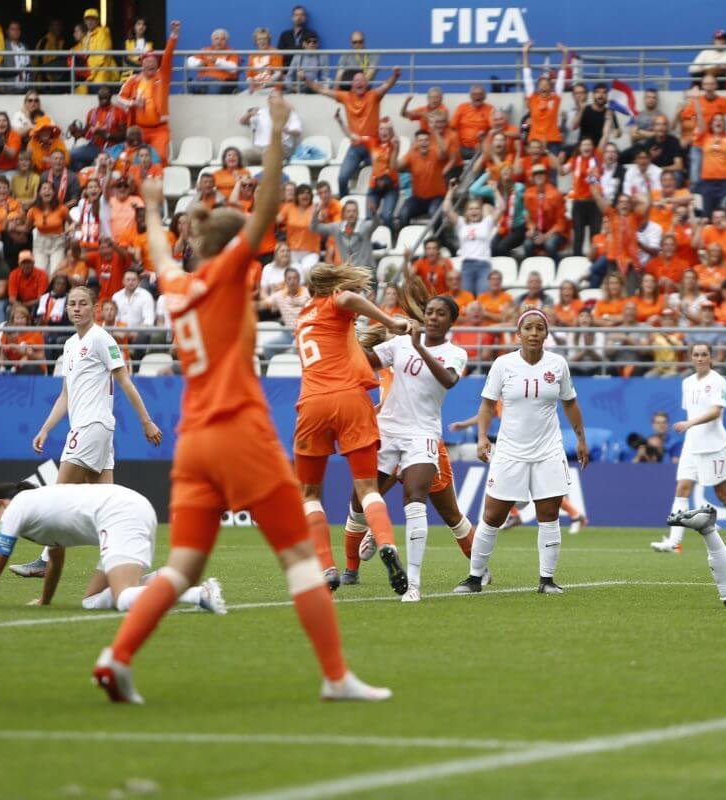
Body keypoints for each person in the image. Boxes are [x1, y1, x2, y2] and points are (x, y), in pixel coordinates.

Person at [93, 94, 391, 706]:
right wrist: (277, 135)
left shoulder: (175, 288)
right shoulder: (228, 274)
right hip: (238, 431)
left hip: (193, 441)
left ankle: (116, 655)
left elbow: (156, 251)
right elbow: (266, 210)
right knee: (301, 562)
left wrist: (153, 209)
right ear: (237, 255)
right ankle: (336, 677)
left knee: (182, 566)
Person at [10, 284, 162, 579]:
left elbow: (125, 382)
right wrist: (45, 429)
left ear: (94, 308)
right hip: (93, 430)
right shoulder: (69, 346)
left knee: (58, 496)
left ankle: (44, 560)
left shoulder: (101, 339)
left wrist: (146, 420)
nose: (76, 308)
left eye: (82, 303)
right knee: (106, 506)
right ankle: (129, 565)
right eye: (72, 304)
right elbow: (65, 395)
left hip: (92, 426)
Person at [291, 260, 410, 592]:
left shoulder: (301, 319)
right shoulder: (336, 300)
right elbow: (346, 300)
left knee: (310, 494)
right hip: (349, 400)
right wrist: (390, 321)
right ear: (332, 285)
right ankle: (387, 544)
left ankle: (327, 568)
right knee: (367, 489)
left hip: (312, 403)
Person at [452, 309, 589, 594]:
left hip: (548, 450)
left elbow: (570, 403)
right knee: (492, 516)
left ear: (547, 334)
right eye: (529, 328)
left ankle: (547, 580)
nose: (535, 333)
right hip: (510, 451)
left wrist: (580, 439)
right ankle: (474, 577)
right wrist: (481, 438)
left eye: (540, 328)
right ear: (519, 333)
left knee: (549, 514)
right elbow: (488, 405)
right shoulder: (503, 364)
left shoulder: (558, 364)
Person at [0, 482, 225, 616]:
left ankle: (196, 594)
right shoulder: (38, 511)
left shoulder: (15, 510)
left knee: (124, 598)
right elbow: (55, 562)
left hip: (120, 514)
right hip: (130, 509)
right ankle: (171, 579)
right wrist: (45, 601)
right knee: (92, 603)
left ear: (2, 504)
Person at [360, 296, 467, 601]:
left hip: (422, 434)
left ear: (450, 321)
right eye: (430, 312)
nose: (433, 317)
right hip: (388, 431)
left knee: (415, 499)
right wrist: (344, 332)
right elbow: (368, 360)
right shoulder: (399, 344)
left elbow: (448, 380)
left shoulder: (455, 353)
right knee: (364, 494)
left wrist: (420, 347)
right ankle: (377, 534)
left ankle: (414, 585)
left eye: (440, 314)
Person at [651, 342, 726, 555]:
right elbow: (693, 408)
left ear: (711, 358)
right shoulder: (687, 383)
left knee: (722, 494)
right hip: (691, 446)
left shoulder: (718, 381)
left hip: (714, 446)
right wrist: (690, 427)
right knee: (682, 489)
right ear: (690, 357)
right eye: (696, 354)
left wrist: (689, 423)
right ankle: (674, 541)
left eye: (704, 354)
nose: (700, 358)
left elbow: (715, 412)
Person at [311, 67, 402, 197]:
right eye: (356, 80)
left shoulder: (374, 95)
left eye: (362, 79)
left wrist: (395, 75)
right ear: (352, 85)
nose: (359, 82)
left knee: (385, 176)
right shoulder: (346, 97)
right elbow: (321, 90)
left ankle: (382, 200)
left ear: (366, 83)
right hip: (355, 147)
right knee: (342, 178)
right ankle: (345, 203)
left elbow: (387, 85)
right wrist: (305, 80)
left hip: (374, 146)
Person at [115, 21, 178, 163]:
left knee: (160, 158)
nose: (150, 63)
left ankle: (158, 182)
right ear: (142, 64)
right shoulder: (133, 80)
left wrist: (173, 35)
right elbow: (120, 98)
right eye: (147, 61)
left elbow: (168, 56)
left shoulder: (163, 76)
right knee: (132, 159)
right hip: (138, 130)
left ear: (157, 63)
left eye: (153, 61)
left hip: (159, 129)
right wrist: (133, 103)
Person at [443, 184, 501, 298]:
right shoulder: (461, 223)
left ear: (481, 211)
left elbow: (501, 208)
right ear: (466, 212)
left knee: (482, 297)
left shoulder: (487, 223)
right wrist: (450, 191)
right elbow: (446, 209)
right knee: (466, 297)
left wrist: (495, 189)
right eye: (471, 209)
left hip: (483, 265)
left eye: (477, 209)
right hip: (466, 265)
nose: (474, 211)